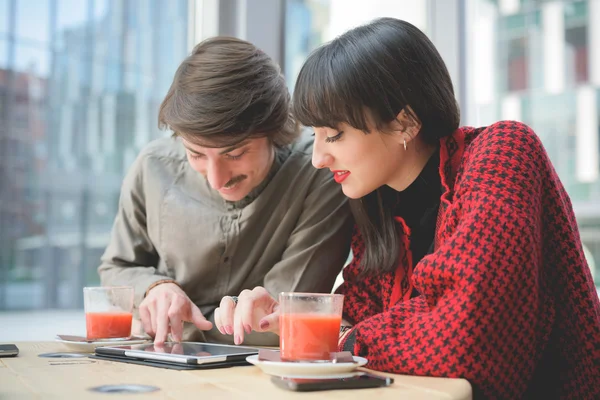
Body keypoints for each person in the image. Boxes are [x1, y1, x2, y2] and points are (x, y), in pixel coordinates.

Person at [215, 18, 600, 399]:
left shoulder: (503, 152)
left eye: (334, 134)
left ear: (405, 122)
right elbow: (364, 319)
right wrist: (295, 321)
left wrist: (347, 337)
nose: (318, 158)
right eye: (313, 135)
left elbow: (465, 335)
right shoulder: (378, 203)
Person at [98, 37, 353, 347]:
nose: (217, 179)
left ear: (274, 133)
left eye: (234, 154)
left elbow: (281, 318)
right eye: (196, 154)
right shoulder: (153, 167)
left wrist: (171, 325)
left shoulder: (318, 174)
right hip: (160, 362)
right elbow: (117, 268)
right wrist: (154, 289)